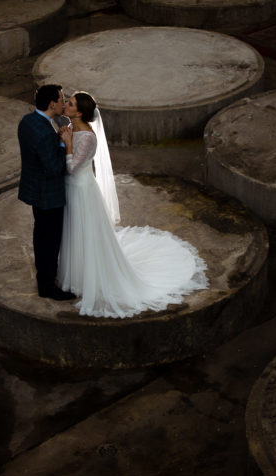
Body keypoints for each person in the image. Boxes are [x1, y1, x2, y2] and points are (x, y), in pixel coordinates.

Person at [57, 92, 207, 318]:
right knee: (73, 232)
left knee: (84, 232)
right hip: (71, 188)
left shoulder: (88, 138)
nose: (65, 105)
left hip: (82, 190)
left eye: (70, 104)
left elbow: (71, 168)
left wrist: (67, 143)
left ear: (79, 113)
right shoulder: (71, 127)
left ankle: (90, 277)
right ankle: (76, 275)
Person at [17, 84, 76, 301]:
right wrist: (63, 144)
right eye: (61, 100)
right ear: (52, 104)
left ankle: (45, 278)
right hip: (49, 196)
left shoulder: (27, 122)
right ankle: (47, 286)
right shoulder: (46, 134)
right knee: (50, 242)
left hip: (35, 191)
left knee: (41, 237)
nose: (64, 103)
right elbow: (53, 168)